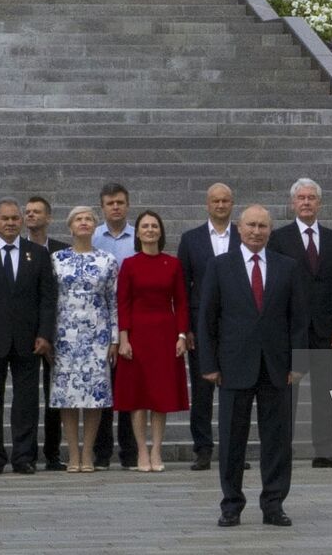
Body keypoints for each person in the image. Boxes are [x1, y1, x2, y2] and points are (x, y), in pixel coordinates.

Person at [200, 204, 308, 528]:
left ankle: (273, 504)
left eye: (262, 226)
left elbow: (299, 319)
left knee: (277, 440)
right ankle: (231, 504)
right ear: (238, 227)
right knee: (233, 440)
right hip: (234, 366)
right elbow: (207, 318)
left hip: (277, 367)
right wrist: (209, 363)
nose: (257, 231)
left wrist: (299, 361)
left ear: (270, 230)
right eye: (251, 226)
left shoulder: (288, 266)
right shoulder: (220, 266)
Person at [0, 199, 57, 475]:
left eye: (15, 218)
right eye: (5, 218)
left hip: (28, 340)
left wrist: (44, 334)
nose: (10, 223)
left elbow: (47, 299)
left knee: (26, 402)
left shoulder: (37, 253)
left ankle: (24, 456)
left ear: (21, 222)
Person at [268, 177, 332, 468]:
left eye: (311, 198)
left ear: (319, 203)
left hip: (325, 330)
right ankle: (282, 451)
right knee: (287, 394)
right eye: (301, 197)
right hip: (291, 330)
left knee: (325, 392)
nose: (306, 202)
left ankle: (324, 452)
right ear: (293, 203)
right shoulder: (279, 238)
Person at [115, 210, 190, 472]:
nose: (149, 230)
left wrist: (181, 335)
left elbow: (181, 303)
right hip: (137, 335)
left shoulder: (173, 264)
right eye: (145, 226)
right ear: (137, 233)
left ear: (160, 231)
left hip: (164, 335)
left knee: (161, 397)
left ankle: (157, 450)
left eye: (154, 226)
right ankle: (142, 452)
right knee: (138, 397)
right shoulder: (129, 264)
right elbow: (122, 304)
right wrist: (123, 339)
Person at [50, 206, 119, 473]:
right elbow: (50, 299)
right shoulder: (57, 259)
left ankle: (88, 452)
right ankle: (73, 452)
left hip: (96, 335)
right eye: (78, 219)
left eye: (88, 219)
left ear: (95, 226)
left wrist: (114, 338)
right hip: (64, 335)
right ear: (70, 226)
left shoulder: (107, 260)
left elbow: (112, 301)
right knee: (67, 396)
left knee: (94, 396)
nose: (84, 222)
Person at [177, 182, 240, 470]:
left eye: (225, 201)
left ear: (232, 204)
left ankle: (234, 449)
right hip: (201, 325)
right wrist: (186, 328)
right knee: (202, 390)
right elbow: (182, 288)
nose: (220, 205)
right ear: (207, 204)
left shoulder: (245, 235)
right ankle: (202, 448)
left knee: (237, 389)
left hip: (237, 324)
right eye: (215, 201)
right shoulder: (191, 239)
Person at [90, 182, 137, 469]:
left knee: (129, 388)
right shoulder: (93, 236)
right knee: (103, 388)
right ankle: (101, 452)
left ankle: (130, 452)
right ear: (102, 207)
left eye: (120, 202)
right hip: (101, 319)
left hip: (132, 317)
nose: (116, 207)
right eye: (110, 203)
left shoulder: (139, 235)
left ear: (127, 204)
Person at [24, 195, 68, 470]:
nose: (31, 216)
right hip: (24, 331)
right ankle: (26, 451)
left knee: (54, 394)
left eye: (37, 212)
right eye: (27, 212)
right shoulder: (17, 249)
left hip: (56, 330)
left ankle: (52, 452)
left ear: (48, 217)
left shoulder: (62, 251)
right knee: (27, 396)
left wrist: (50, 334)